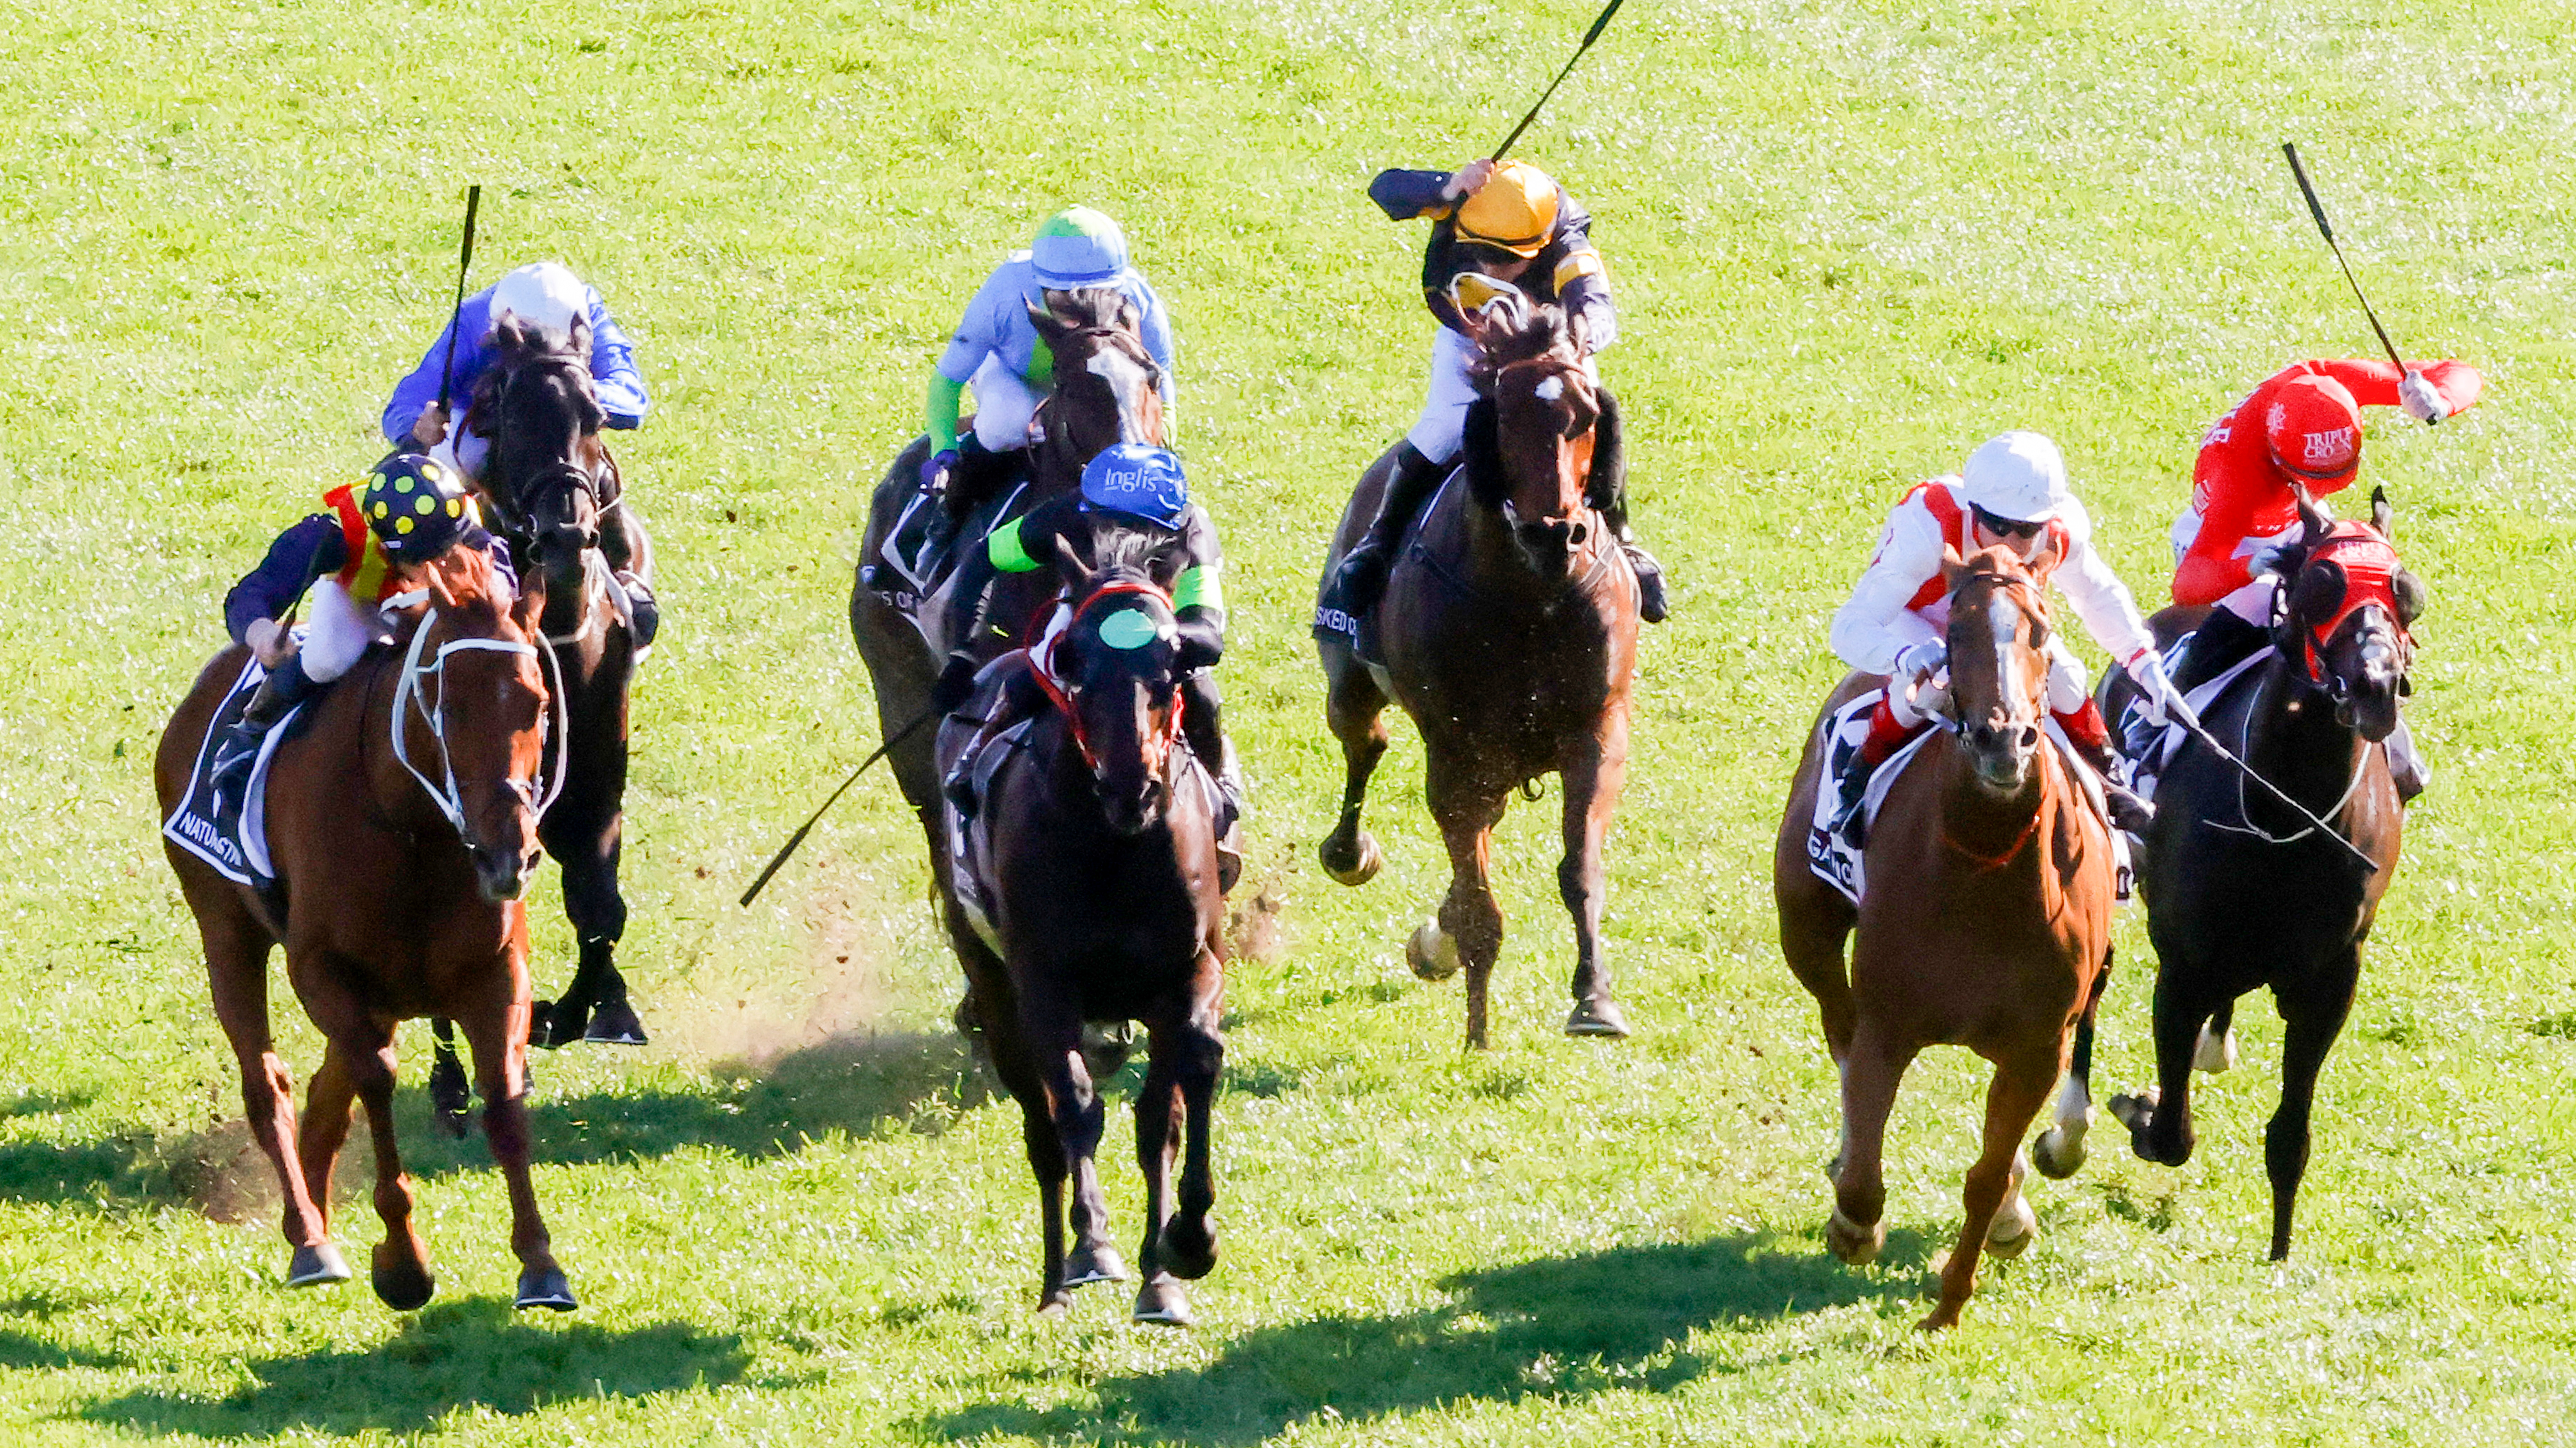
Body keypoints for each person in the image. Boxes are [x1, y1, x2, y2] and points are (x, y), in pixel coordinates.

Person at [1327, 157, 1665, 622]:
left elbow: (1597, 303)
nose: (1494, 266)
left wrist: (1583, 329)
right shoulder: (1459, 203)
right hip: (1469, 334)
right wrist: (1447, 187)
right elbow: (1385, 189)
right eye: (1484, 252)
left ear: (1542, 242)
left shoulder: (1568, 242)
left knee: (1598, 411)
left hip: (1549, 343)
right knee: (1444, 424)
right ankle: (1378, 543)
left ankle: (1622, 538)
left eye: (1510, 258)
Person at [2147, 357, 2479, 798]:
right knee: (2254, 604)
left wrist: (2438, 399)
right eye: (2315, 479)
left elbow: (2459, 371)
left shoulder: (2327, 386)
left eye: (2334, 479)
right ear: (2280, 459)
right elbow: (2189, 583)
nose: (2325, 489)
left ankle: (2390, 725)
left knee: (2356, 593)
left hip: (2292, 515)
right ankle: (2154, 734)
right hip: (2233, 542)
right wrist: (2252, 566)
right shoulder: (2238, 475)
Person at [1829, 431, 2191, 832]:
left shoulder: (2060, 532)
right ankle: (1858, 778)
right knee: (1931, 681)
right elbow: (1850, 627)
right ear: (1974, 509)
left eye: (2024, 530)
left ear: (2046, 522)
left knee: (2068, 678)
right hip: (1920, 616)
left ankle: (2112, 779)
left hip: (2002, 620)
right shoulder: (1928, 524)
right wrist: (1904, 657)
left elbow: (2097, 597)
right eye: (1995, 524)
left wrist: (2145, 665)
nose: (2008, 542)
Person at [931, 444, 1240, 876]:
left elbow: (1207, 635)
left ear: (1169, 524)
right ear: (1088, 508)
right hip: (1085, 615)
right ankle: (973, 764)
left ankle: (1221, 803)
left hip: (1159, 631)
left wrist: (1164, 638)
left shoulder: (1192, 530)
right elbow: (985, 557)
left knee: (1202, 694)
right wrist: (962, 654)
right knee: (1027, 681)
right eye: (1105, 523)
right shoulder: (1067, 513)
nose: (1119, 535)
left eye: (1137, 528)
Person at [205, 455, 517, 798]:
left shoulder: (465, 525)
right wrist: (261, 634)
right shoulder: (334, 535)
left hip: (433, 611)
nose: (437, 569)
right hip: (360, 600)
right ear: (385, 546)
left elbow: (506, 583)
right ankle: (252, 728)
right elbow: (251, 595)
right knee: (330, 657)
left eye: (446, 552)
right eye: (423, 559)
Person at [382, 260, 658, 646]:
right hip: (490, 426)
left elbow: (632, 398)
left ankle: (624, 573)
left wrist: (569, 395)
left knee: (587, 451)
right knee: (451, 457)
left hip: (559, 423)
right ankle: (435, 573)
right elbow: (404, 403)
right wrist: (417, 424)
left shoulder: (587, 310)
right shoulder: (474, 319)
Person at [921, 207, 1177, 521]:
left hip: (1093, 384)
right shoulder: (1001, 296)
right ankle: (948, 517)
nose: (1082, 312)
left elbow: (1159, 383)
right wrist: (943, 450)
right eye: (1066, 302)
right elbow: (947, 381)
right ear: (1041, 285)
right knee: (1007, 422)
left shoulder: (1140, 302)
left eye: (1098, 295)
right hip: (1013, 373)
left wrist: (1162, 445)